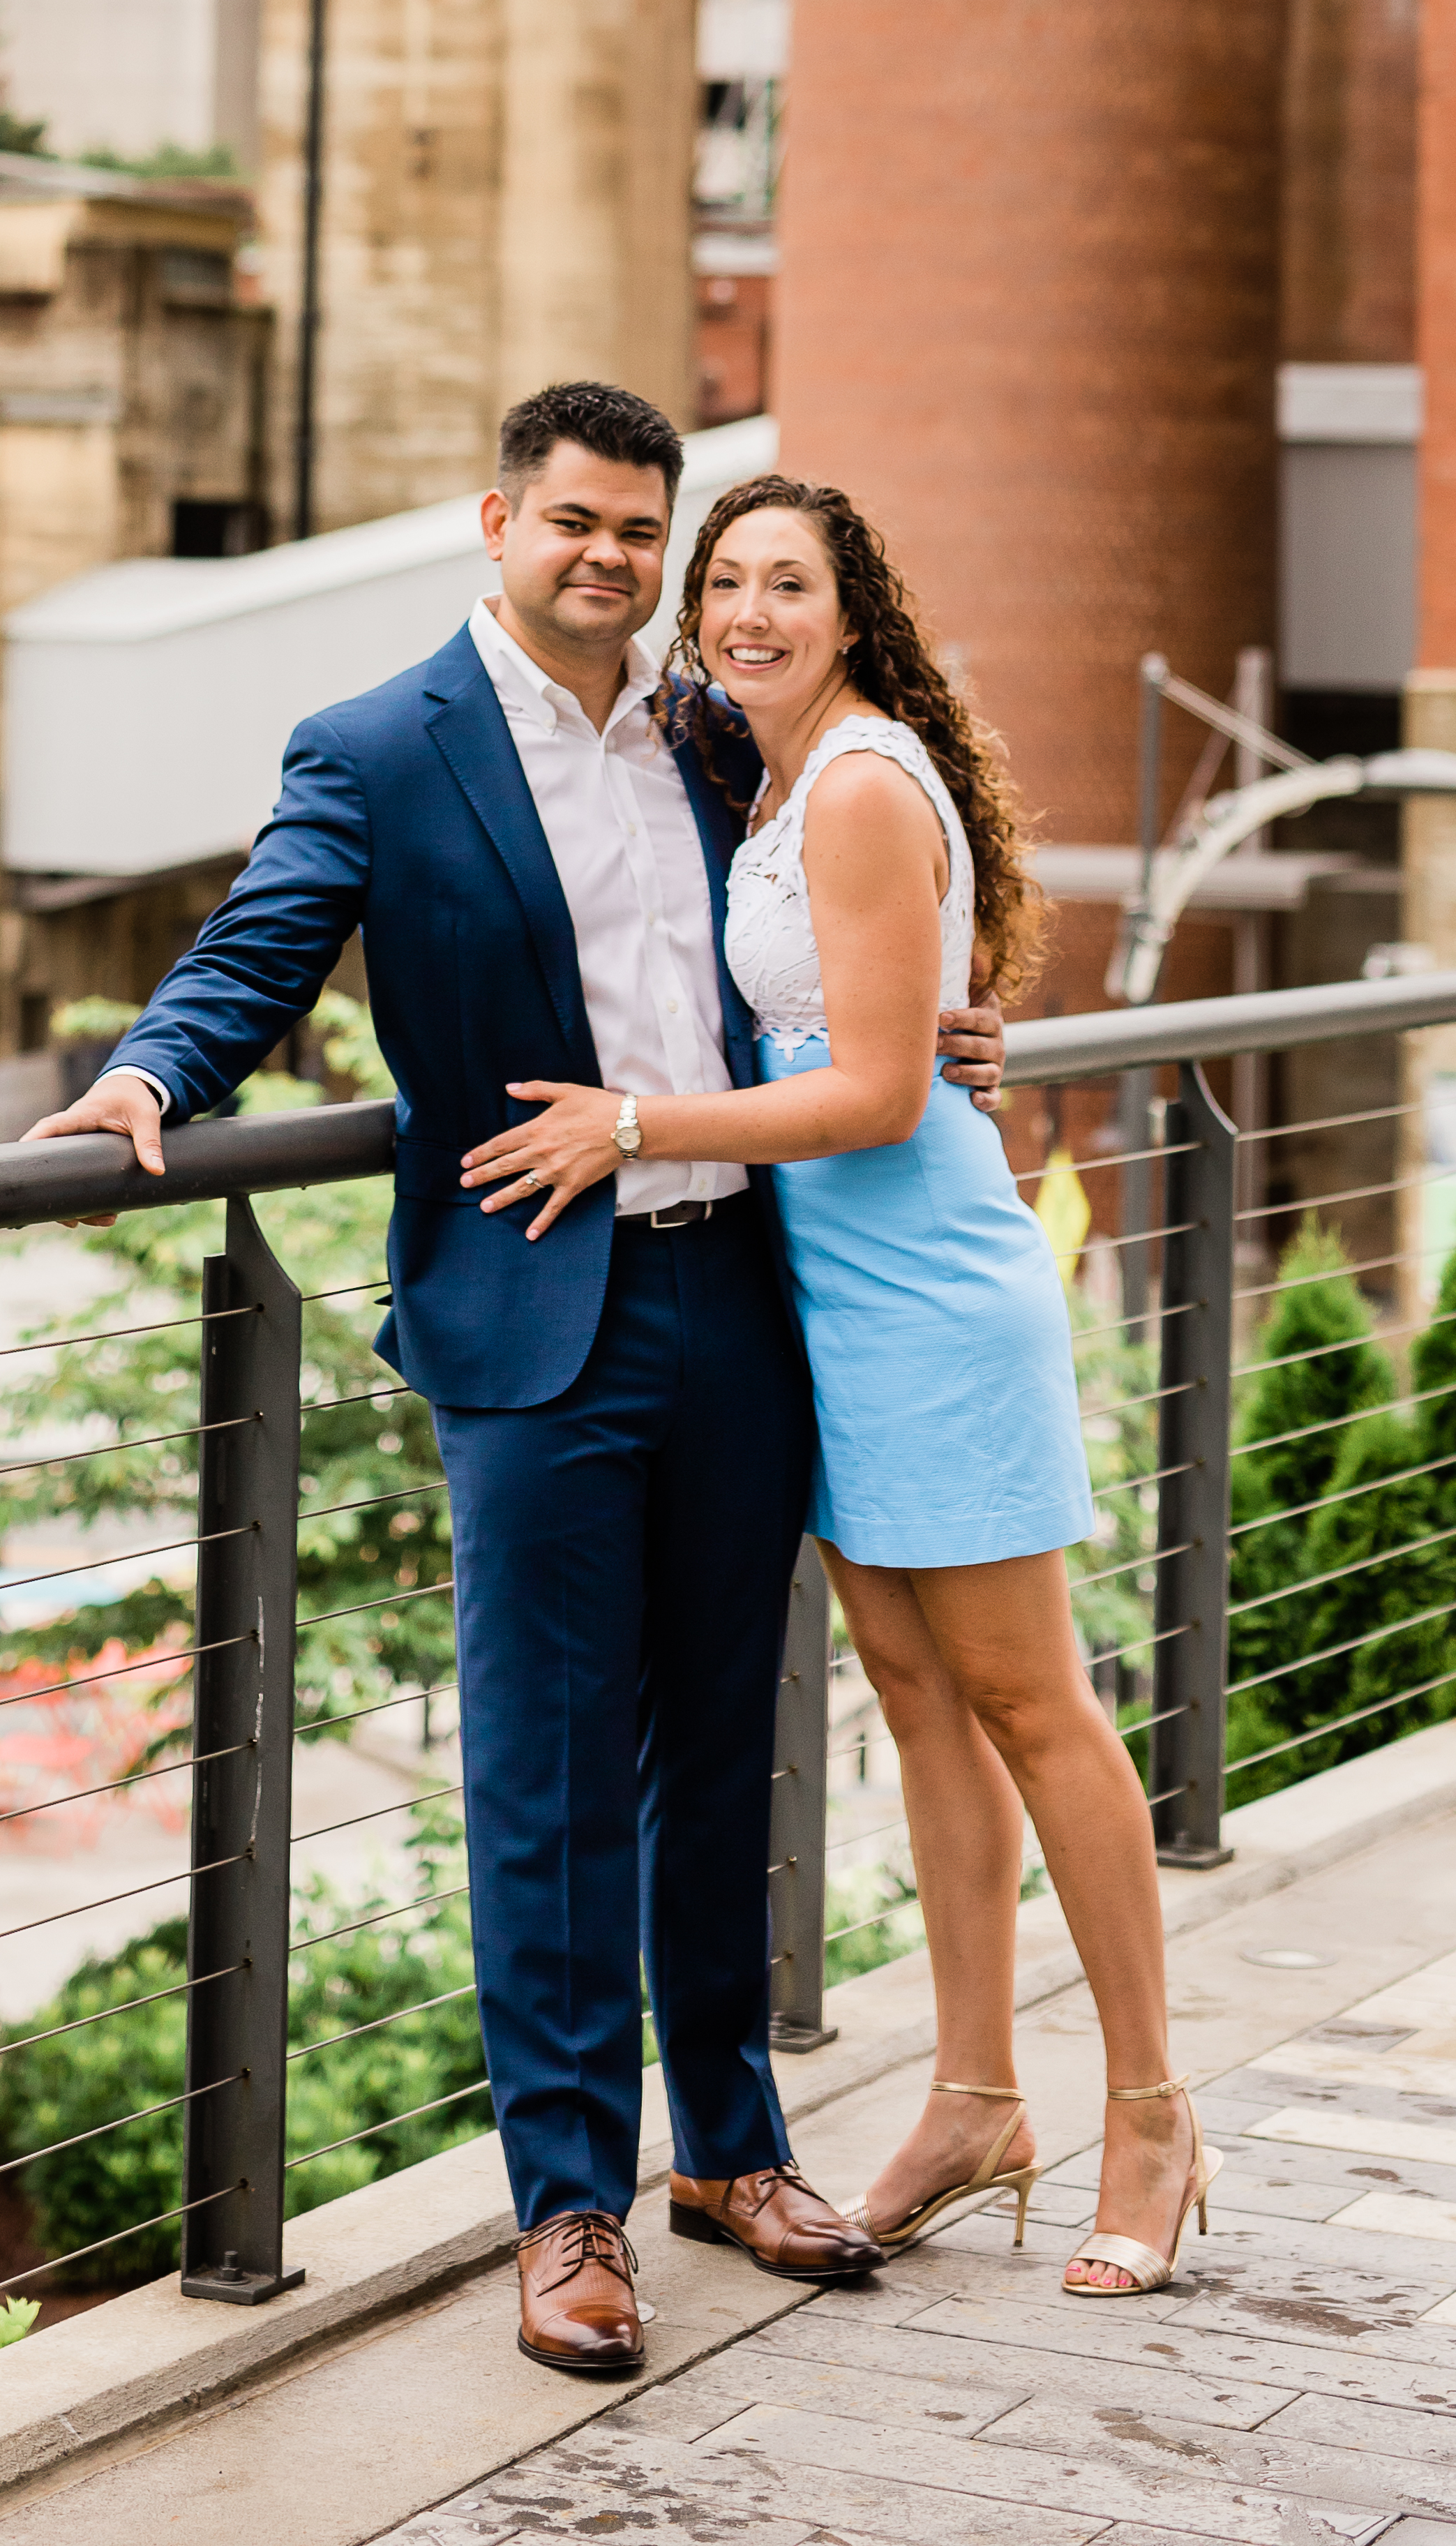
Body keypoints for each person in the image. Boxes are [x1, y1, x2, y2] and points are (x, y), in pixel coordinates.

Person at [15, 384, 1016, 2379]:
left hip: (740, 1289)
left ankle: (731, 2149)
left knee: (728, 1742)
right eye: (578, 524)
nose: (614, 563)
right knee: (549, 1775)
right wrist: (146, 1078)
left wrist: (939, 1033)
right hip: (529, 1315)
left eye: (642, 533)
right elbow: (258, 945)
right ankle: (571, 2206)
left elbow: (832, 948)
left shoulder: (727, 735)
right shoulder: (381, 747)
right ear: (497, 523)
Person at [460, 468, 1213, 2301]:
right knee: (916, 1699)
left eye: (786, 585)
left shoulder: (865, 784)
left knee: (1035, 1706)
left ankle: (1154, 2114)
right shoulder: (776, 777)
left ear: (853, 614)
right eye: (722, 583)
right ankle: (973, 2098)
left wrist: (635, 1125)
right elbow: (856, 1027)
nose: (744, 613)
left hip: (932, 1305)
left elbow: (878, 1095)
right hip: (825, 1310)